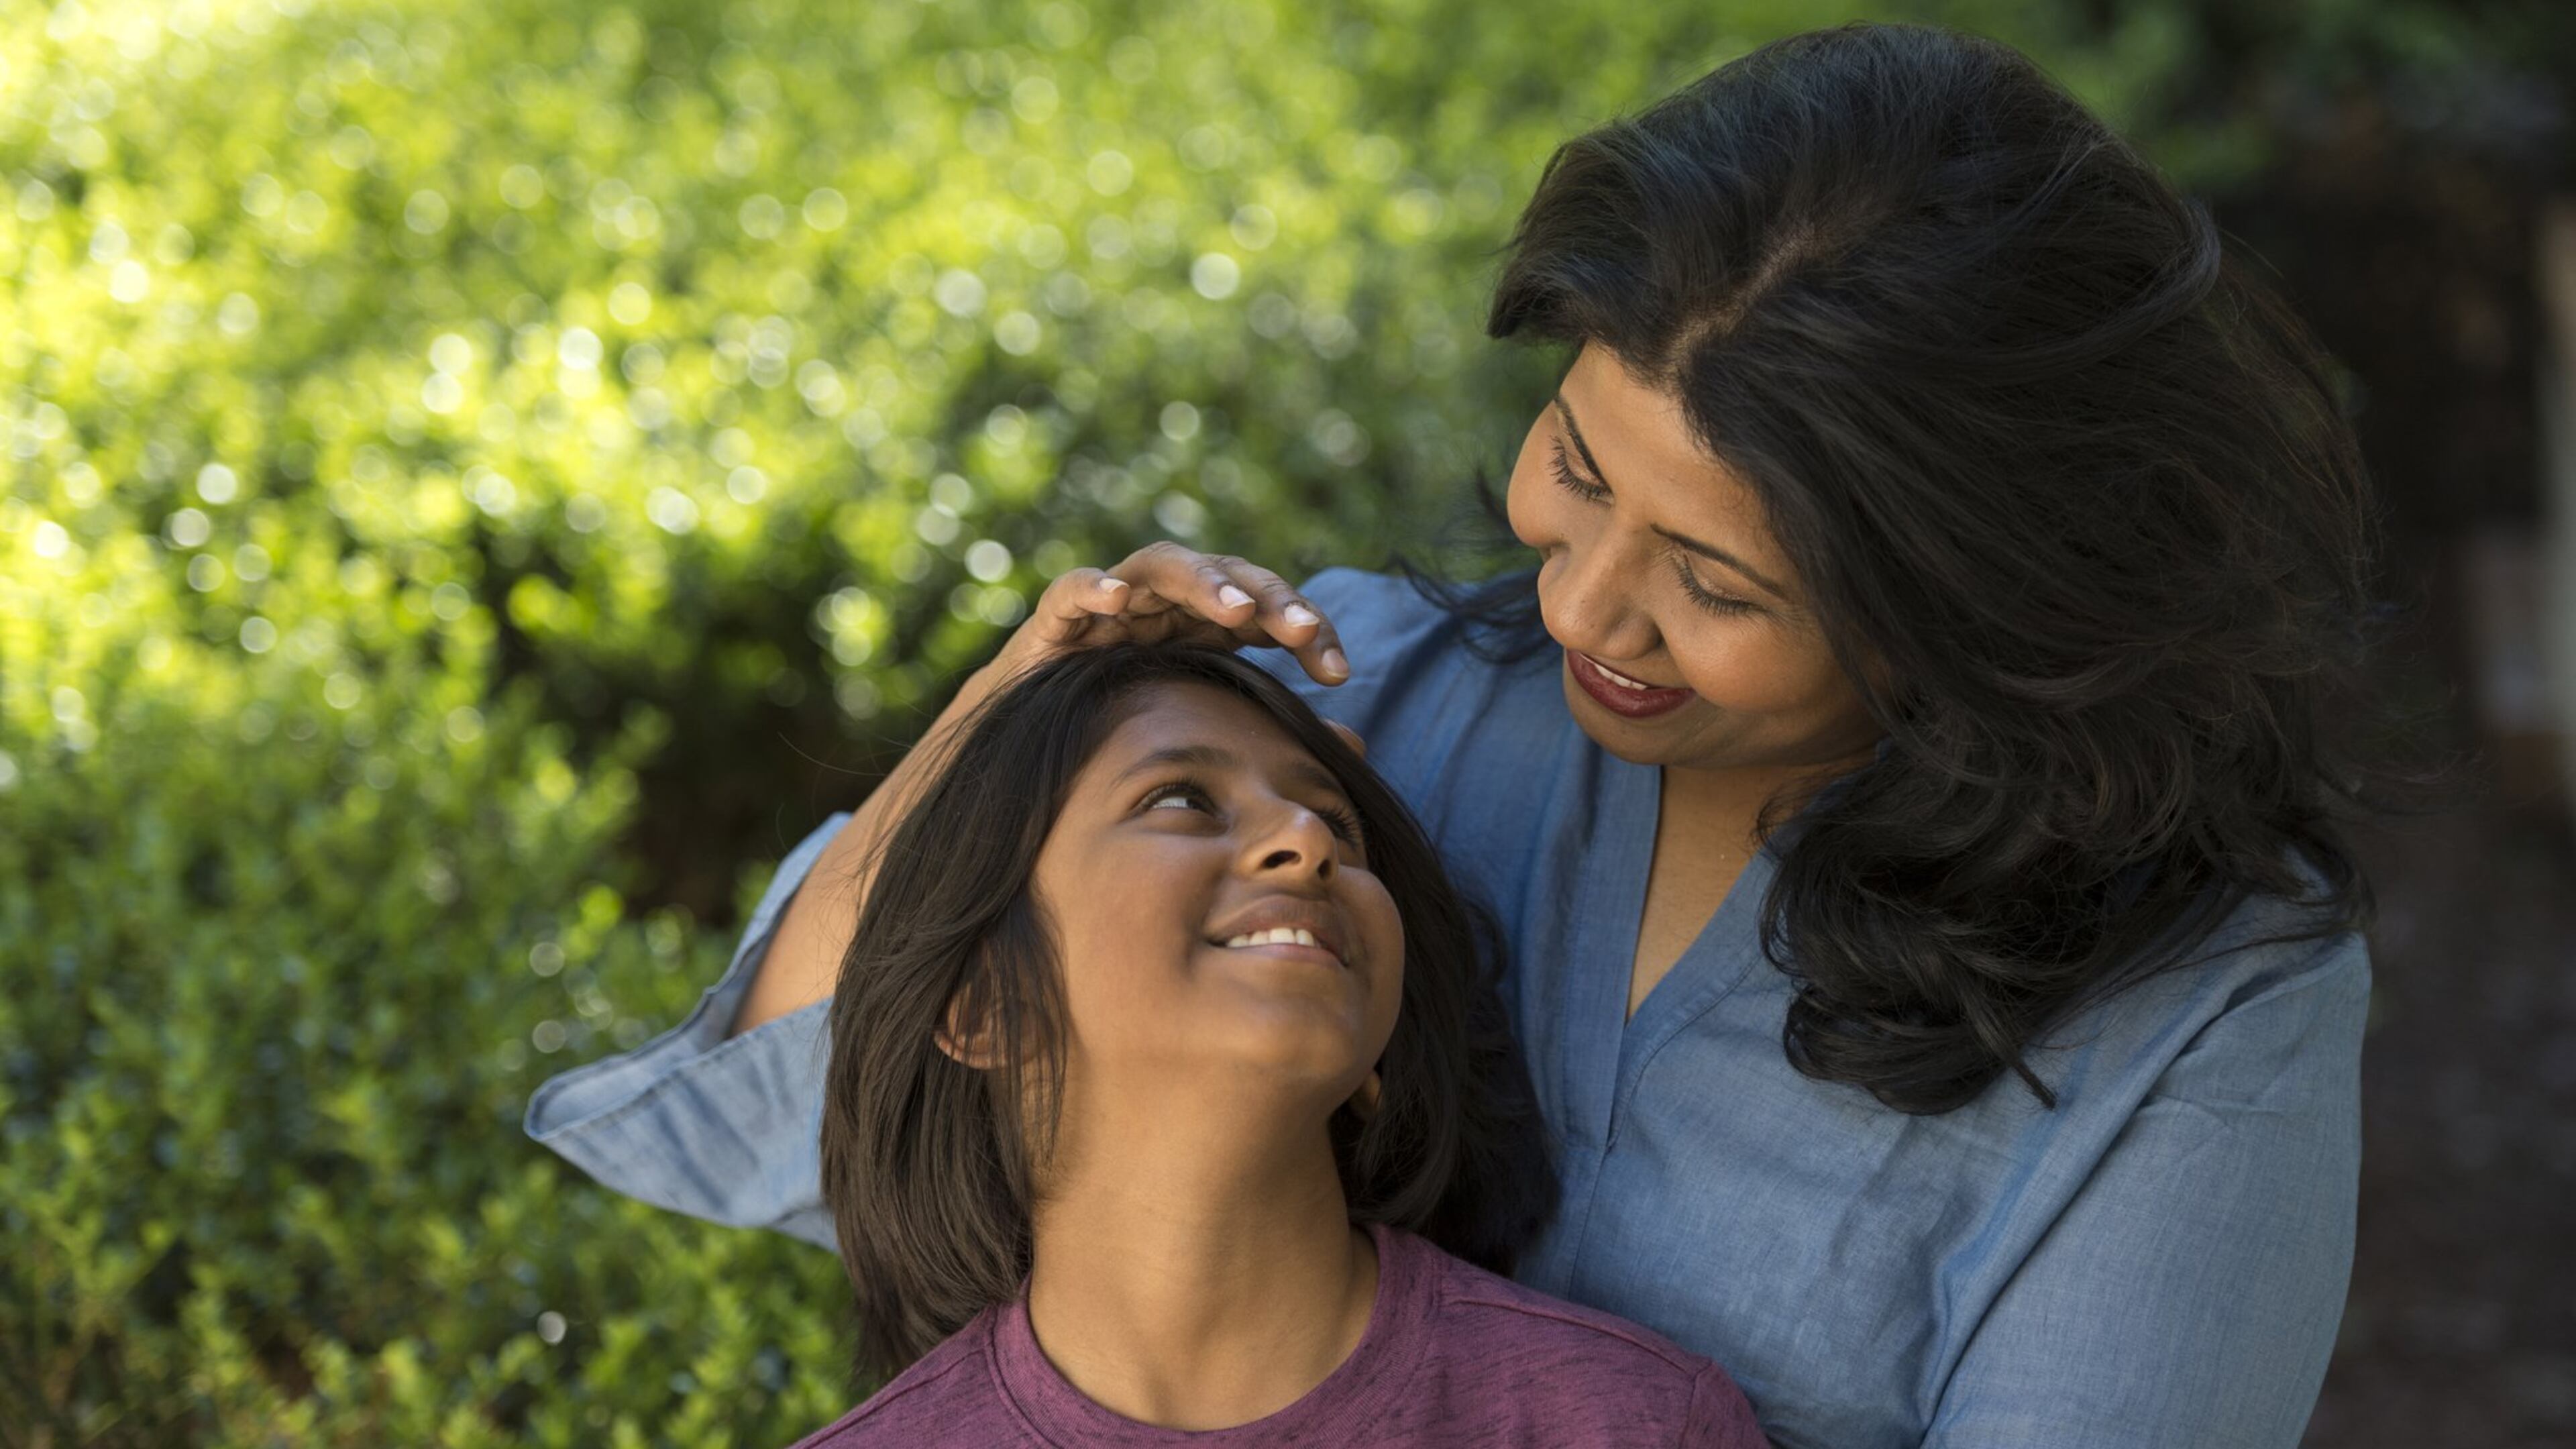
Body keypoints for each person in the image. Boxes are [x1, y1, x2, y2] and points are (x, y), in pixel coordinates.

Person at [528, 23, 2386, 1448]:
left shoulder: (2196, 1006)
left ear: (1983, 609)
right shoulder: (1367, 708)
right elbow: (788, 1117)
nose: (1583, 611)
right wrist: (1007, 720)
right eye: (1575, 471)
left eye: (1718, 586)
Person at [786, 641, 1765, 1446]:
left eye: (1337, 821)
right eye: (1181, 799)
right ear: (982, 1001)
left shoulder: (1628, 1424)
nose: (1306, 838)